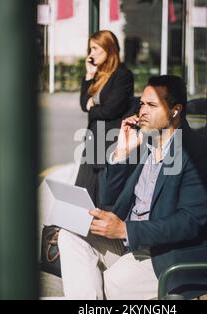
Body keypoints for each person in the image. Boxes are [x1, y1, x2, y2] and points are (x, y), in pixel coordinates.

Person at [58, 75, 207, 300]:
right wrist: (121, 153)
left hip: (165, 254)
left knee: (108, 283)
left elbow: (190, 222)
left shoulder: (197, 153)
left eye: (152, 105)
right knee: (70, 235)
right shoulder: (147, 143)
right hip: (131, 244)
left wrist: (125, 230)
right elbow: (109, 198)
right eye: (142, 104)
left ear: (175, 111)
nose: (143, 110)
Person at [75, 30, 134, 206]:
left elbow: (111, 111)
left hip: (109, 142)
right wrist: (89, 75)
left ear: (109, 49)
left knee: (101, 196)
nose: (91, 54)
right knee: (83, 191)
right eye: (90, 49)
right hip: (94, 140)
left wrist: (92, 107)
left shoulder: (123, 75)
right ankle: (77, 229)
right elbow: (83, 103)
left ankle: (97, 231)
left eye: (95, 48)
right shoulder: (98, 75)